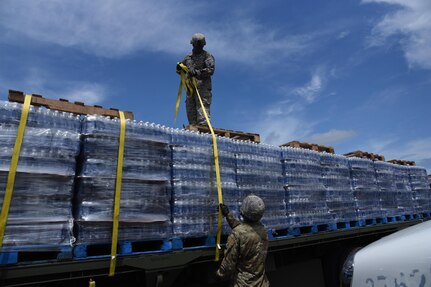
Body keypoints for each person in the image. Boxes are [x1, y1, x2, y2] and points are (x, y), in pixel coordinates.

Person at [217, 195, 270, 287]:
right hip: (262, 283)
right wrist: (228, 215)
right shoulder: (263, 230)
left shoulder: (238, 234)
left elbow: (229, 265)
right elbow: (246, 230)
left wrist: (218, 274)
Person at [176, 33, 215, 126]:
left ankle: (204, 130)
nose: (198, 47)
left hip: (203, 88)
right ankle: (193, 129)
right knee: (191, 110)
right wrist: (179, 68)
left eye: (200, 45)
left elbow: (210, 70)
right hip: (191, 89)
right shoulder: (188, 57)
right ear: (192, 44)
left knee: (202, 111)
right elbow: (180, 69)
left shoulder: (207, 56)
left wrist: (197, 72)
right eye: (196, 45)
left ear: (203, 45)